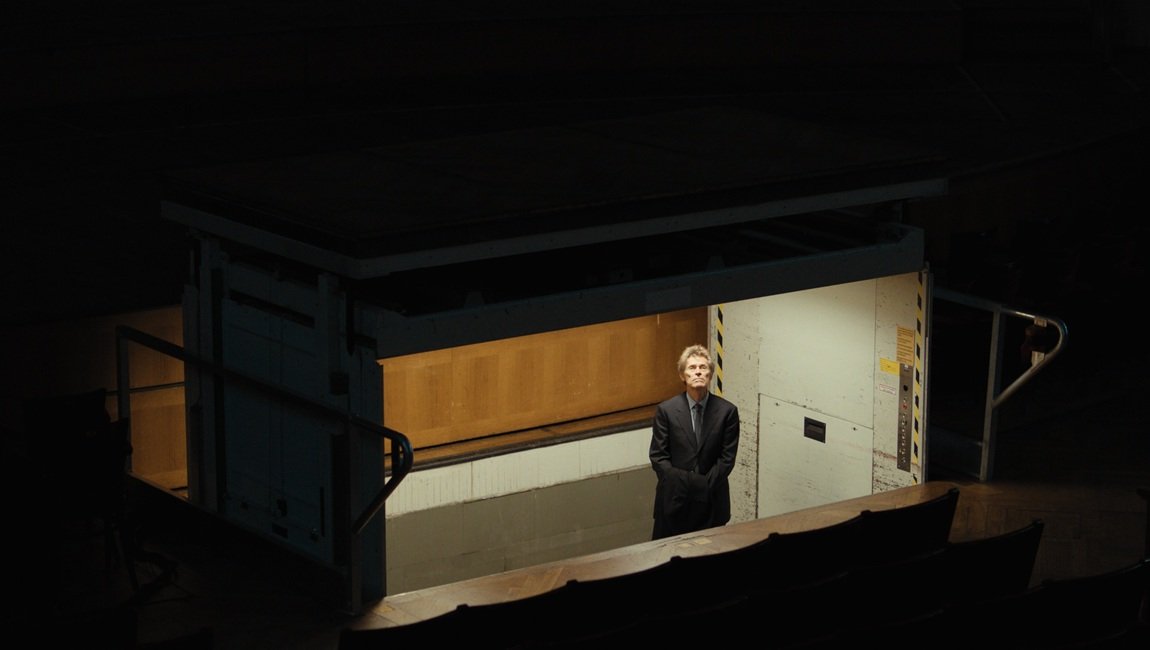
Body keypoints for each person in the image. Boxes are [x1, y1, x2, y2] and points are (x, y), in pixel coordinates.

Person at [649, 343, 740, 539]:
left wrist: (704, 487)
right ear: (682, 375)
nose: (698, 372)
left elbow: (727, 459)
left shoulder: (727, 412)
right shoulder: (667, 411)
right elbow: (658, 458)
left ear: (710, 374)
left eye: (703, 367)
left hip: (712, 502)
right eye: (692, 367)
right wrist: (691, 484)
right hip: (674, 501)